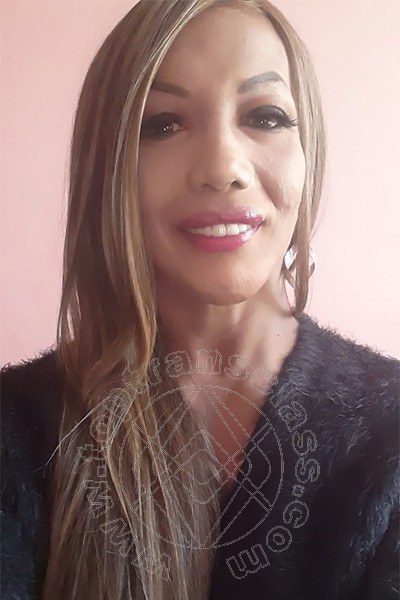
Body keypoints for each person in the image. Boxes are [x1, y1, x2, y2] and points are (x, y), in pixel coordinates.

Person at [1, 0, 399, 599]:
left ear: (309, 155)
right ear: (109, 169)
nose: (221, 167)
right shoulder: (16, 431)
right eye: (163, 124)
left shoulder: (390, 433)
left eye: (265, 116)